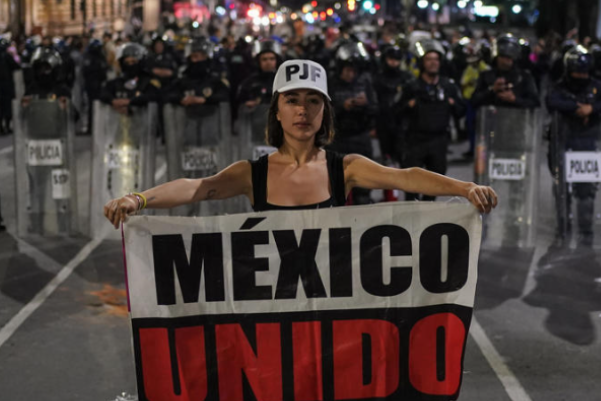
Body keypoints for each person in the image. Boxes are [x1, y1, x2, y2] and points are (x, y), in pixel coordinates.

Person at [104, 59, 497, 228]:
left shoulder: (344, 169)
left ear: (325, 111)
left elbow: (407, 177)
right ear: (276, 110)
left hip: (330, 302)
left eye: (313, 102)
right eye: (292, 100)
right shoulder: (251, 174)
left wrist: (465, 188)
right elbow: (196, 188)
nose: (302, 111)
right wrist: (137, 199)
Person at [546, 45, 601, 248]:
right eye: (577, 72)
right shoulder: (559, 86)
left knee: (586, 191)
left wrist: (592, 108)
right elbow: (551, 101)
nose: (581, 76)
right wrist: (579, 108)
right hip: (562, 143)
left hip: (587, 145)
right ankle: (563, 228)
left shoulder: (596, 86)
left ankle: (585, 231)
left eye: (584, 72)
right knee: (561, 188)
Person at [399, 39, 466, 201]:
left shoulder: (448, 86)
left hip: (439, 141)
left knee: (433, 189)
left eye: (436, 59)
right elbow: (396, 112)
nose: (433, 63)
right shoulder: (412, 86)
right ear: (422, 62)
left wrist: (452, 103)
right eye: (429, 59)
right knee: (411, 188)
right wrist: (409, 105)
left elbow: (461, 111)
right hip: (416, 141)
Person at [328, 41, 378, 205]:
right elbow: (321, 112)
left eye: (354, 70)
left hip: (360, 138)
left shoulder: (364, 83)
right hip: (337, 139)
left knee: (363, 186)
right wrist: (343, 106)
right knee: (334, 189)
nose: (351, 74)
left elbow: (376, 109)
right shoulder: (331, 84)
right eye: (348, 70)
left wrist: (366, 106)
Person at [471, 34, 540, 109]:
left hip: (516, 118)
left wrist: (514, 99)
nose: (507, 60)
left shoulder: (524, 78)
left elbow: (535, 103)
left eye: (510, 57)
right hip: (490, 118)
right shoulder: (486, 75)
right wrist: (492, 90)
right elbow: (473, 101)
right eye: (503, 56)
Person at [99, 43, 160, 114]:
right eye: (127, 63)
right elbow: (103, 93)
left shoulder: (149, 81)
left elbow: (152, 96)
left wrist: (129, 102)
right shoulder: (119, 81)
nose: (130, 65)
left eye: (133, 62)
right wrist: (113, 101)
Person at [0, 37, 20, 135]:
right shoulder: (7, 56)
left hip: (4, 84)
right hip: (6, 85)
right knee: (7, 106)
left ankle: (2, 127)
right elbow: (16, 66)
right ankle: (7, 126)